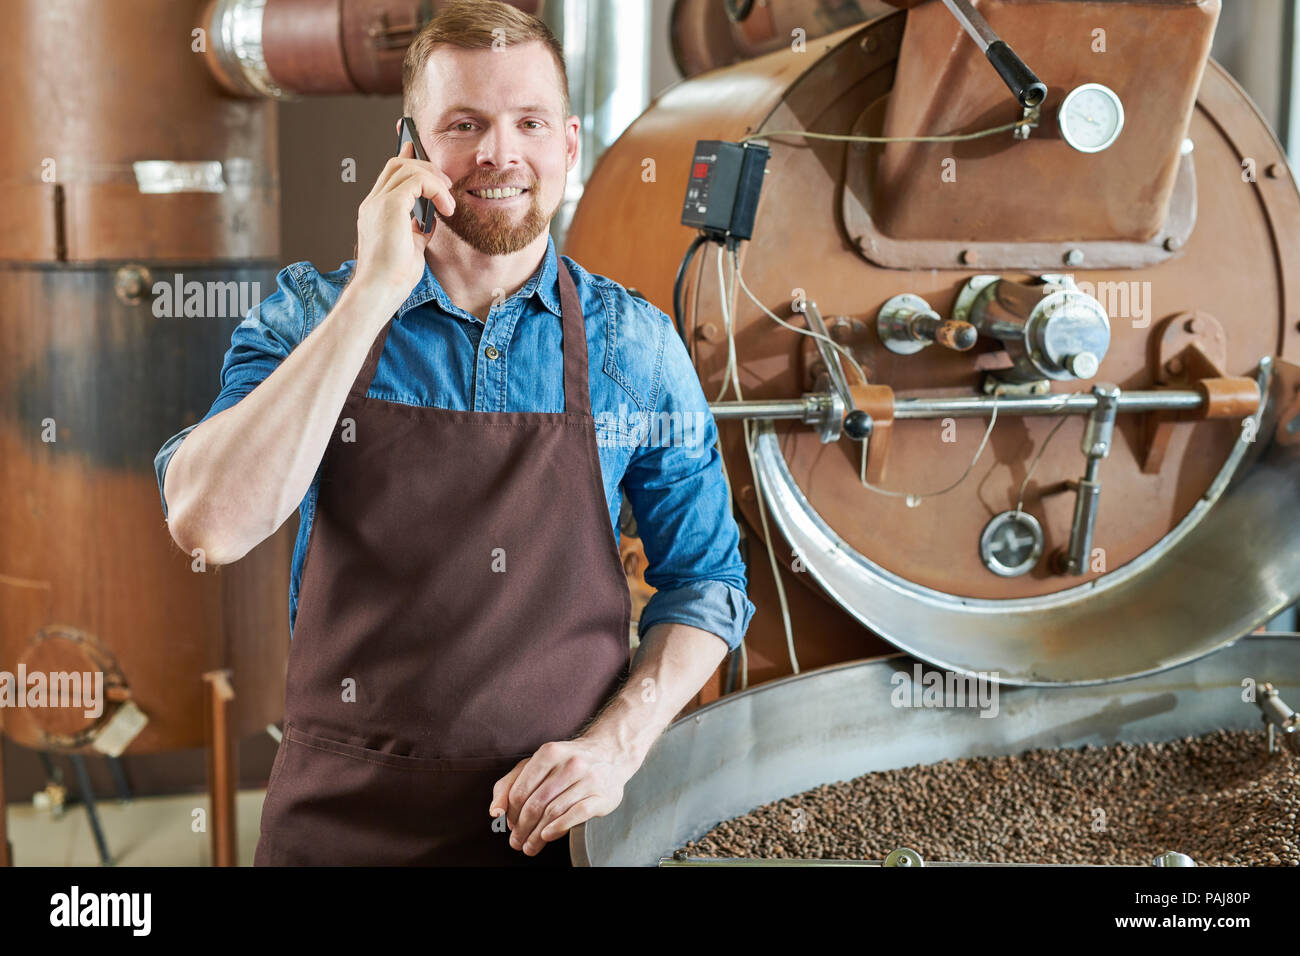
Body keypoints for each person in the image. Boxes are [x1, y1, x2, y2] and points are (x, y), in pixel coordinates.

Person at [154, 0, 754, 866]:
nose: (500, 153)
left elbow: (707, 581)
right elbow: (207, 522)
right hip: (340, 825)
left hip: (560, 830)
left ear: (569, 145)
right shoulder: (312, 317)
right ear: (410, 150)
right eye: (464, 124)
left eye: (530, 123)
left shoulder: (634, 346)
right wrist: (370, 295)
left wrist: (616, 746)